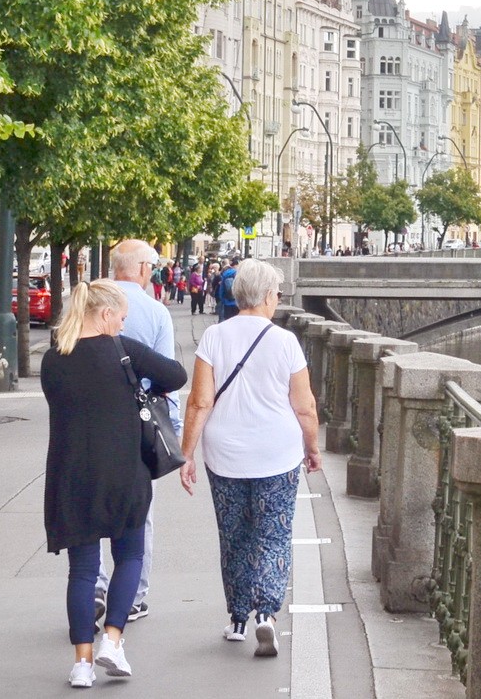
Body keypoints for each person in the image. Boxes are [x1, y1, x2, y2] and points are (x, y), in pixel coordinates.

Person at [43, 279, 187, 688]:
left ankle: (82, 664)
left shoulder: (54, 358)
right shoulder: (125, 352)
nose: (123, 325)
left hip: (71, 475)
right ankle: (113, 640)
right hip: (124, 472)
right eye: (121, 318)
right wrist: (140, 384)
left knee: (83, 571)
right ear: (105, 315)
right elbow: (175, 376)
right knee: (130, 558)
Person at [179, 258, 320, 657]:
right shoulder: (285, 342)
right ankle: (267, 616)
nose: (278, 298)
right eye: (277, 292)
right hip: (277, 452)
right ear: (266, 296)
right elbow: (305, 406)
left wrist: (186, 453)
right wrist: (312, 448)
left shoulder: (214, 337)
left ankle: (238, 618)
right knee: (273, 534)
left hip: (225, 454)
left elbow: (199, 401)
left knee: (235, 535)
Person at [93, 240, 178, 623]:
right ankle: (134, 596)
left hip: (91, 423)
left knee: (91, 508)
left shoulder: (88, 302)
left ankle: (93, 585)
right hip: (138, 426)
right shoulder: (156, 312)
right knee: (140, 513)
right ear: (144, 268)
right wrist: (172, 436)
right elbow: (169, 378)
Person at [216, 257, 240, 322]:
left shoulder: (225, 275)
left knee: (227, 320)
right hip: (236, 303)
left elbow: (221, 291)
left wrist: (222, 299)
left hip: (227, 302)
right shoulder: (238, 275)